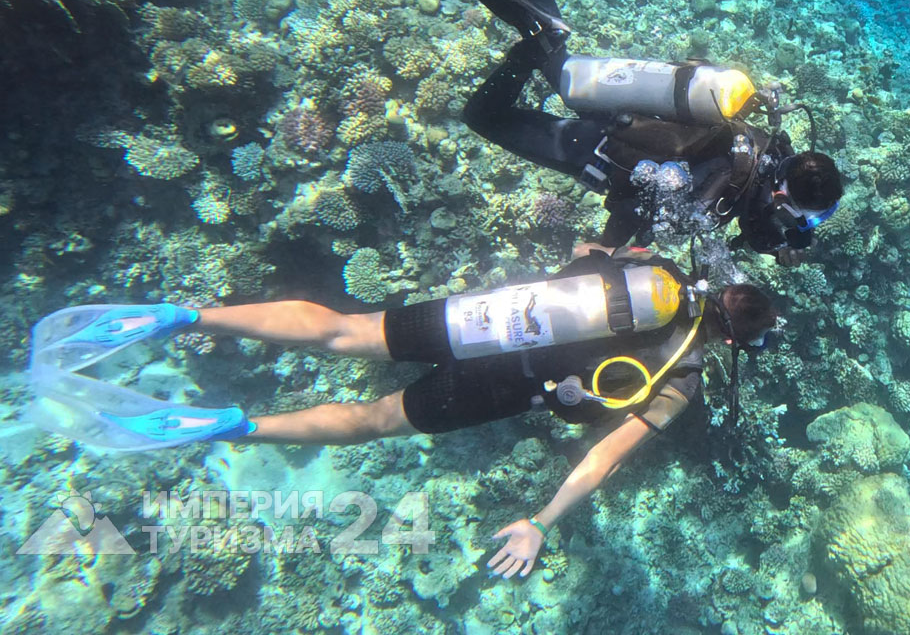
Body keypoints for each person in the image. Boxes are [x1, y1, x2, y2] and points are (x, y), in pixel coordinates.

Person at [29, 247, 780, 578]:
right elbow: (601, 459)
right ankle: (234, 426)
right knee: (374, 420)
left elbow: (583, 259)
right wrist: (541, 521)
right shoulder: (684, 381)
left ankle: (184, 316)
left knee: (342, 331)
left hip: (486, 323)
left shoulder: (657, 271)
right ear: (732, 340)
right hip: (502, 389)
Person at [393, 0, 844, 264]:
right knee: (483, 117)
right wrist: (607, 246)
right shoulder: (723, 189)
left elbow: (759, 223)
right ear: (783, 198)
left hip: (625, 109)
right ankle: (531, 45)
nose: (806, 225)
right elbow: (641, 202)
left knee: (564, 72)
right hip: (596, 150)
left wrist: (786, 241)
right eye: (808, 217)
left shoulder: (774, 148)